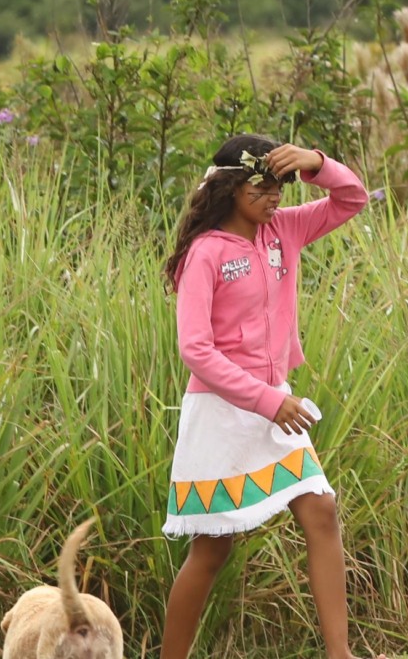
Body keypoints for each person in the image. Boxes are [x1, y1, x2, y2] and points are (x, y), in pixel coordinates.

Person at [159, 133, 377, 659]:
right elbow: (196, 349)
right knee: (212, 548)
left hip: (275, 405)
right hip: (221, 414)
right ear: (231, 187)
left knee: (321, 510)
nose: (275, 195)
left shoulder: (286, 231)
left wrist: (316, 163)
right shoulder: (204, 253)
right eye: (262, 184)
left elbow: (353, 199)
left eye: (279, 183)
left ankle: (340, 656)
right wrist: (266, 400)